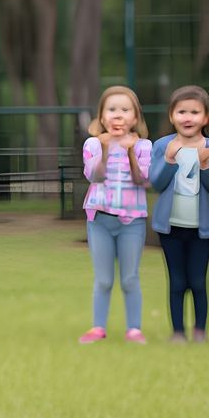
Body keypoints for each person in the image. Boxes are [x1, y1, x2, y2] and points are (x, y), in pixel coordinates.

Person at [148, 85, 209, 344]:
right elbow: (156, 183)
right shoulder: (161, 146)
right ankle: (178, 332)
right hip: (170, 227)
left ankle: (200, 331)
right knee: (177, 280)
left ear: (206, 117)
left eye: (194, 112)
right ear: (172, 116)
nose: (188, 117)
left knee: (198, 280)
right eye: (181, 111)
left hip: (202, 227)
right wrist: (169, 161)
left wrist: (205, 165)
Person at [78, 85, 153, 345]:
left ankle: (134, 329)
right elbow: (94, 175)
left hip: (132, 221)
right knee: (104, 279)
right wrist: (108, 148)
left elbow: (143, 180)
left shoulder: (143, 146)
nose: (117, 115)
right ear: (101, 117)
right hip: (100, 220)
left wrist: (131, 151)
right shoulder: (93, 144)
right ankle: (98, 327)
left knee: (130, 277)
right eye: (111, 109)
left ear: (135, 118)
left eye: (124, 110)